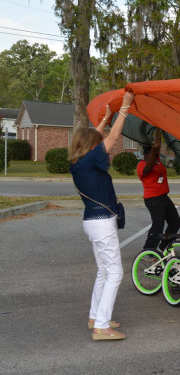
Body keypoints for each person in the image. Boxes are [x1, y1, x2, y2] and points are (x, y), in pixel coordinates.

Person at [69, 91, 134, 341]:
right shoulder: (90, 160)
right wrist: (124, 110)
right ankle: (102, 327)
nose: (99, 145)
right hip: (101, 222)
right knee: (115, 273)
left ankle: (96, 317)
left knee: (103, 272)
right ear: (91, 145)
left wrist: (106, 118)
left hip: (91, 221)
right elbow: (114, 137)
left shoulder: (78, 162)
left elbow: (95, 138)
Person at [137, 129, 180, 252]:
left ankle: (164, 246)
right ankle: (148, 250)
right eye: (152, 154)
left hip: (163, 197)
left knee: (175, 221)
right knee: (158, 225)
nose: (156, 155)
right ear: (146, 155)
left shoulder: (157, 162)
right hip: (153, 199)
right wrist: (158, 128)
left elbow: (156, 148)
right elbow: (156, 146)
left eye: (156, 154)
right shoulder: (142, 165)